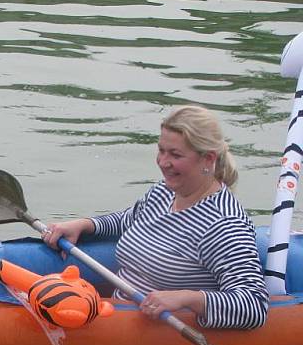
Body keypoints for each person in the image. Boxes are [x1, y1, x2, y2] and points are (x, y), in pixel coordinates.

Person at [41, 105, 268, 329]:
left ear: (208, 159)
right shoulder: (166, 191)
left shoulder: (224, 225)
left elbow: (254, 305)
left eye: (175, 155)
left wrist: (186, 298)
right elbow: (130, 220)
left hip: (151, 329)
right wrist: (86, 225)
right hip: (117, 310)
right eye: (161, 150)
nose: (163, 162)